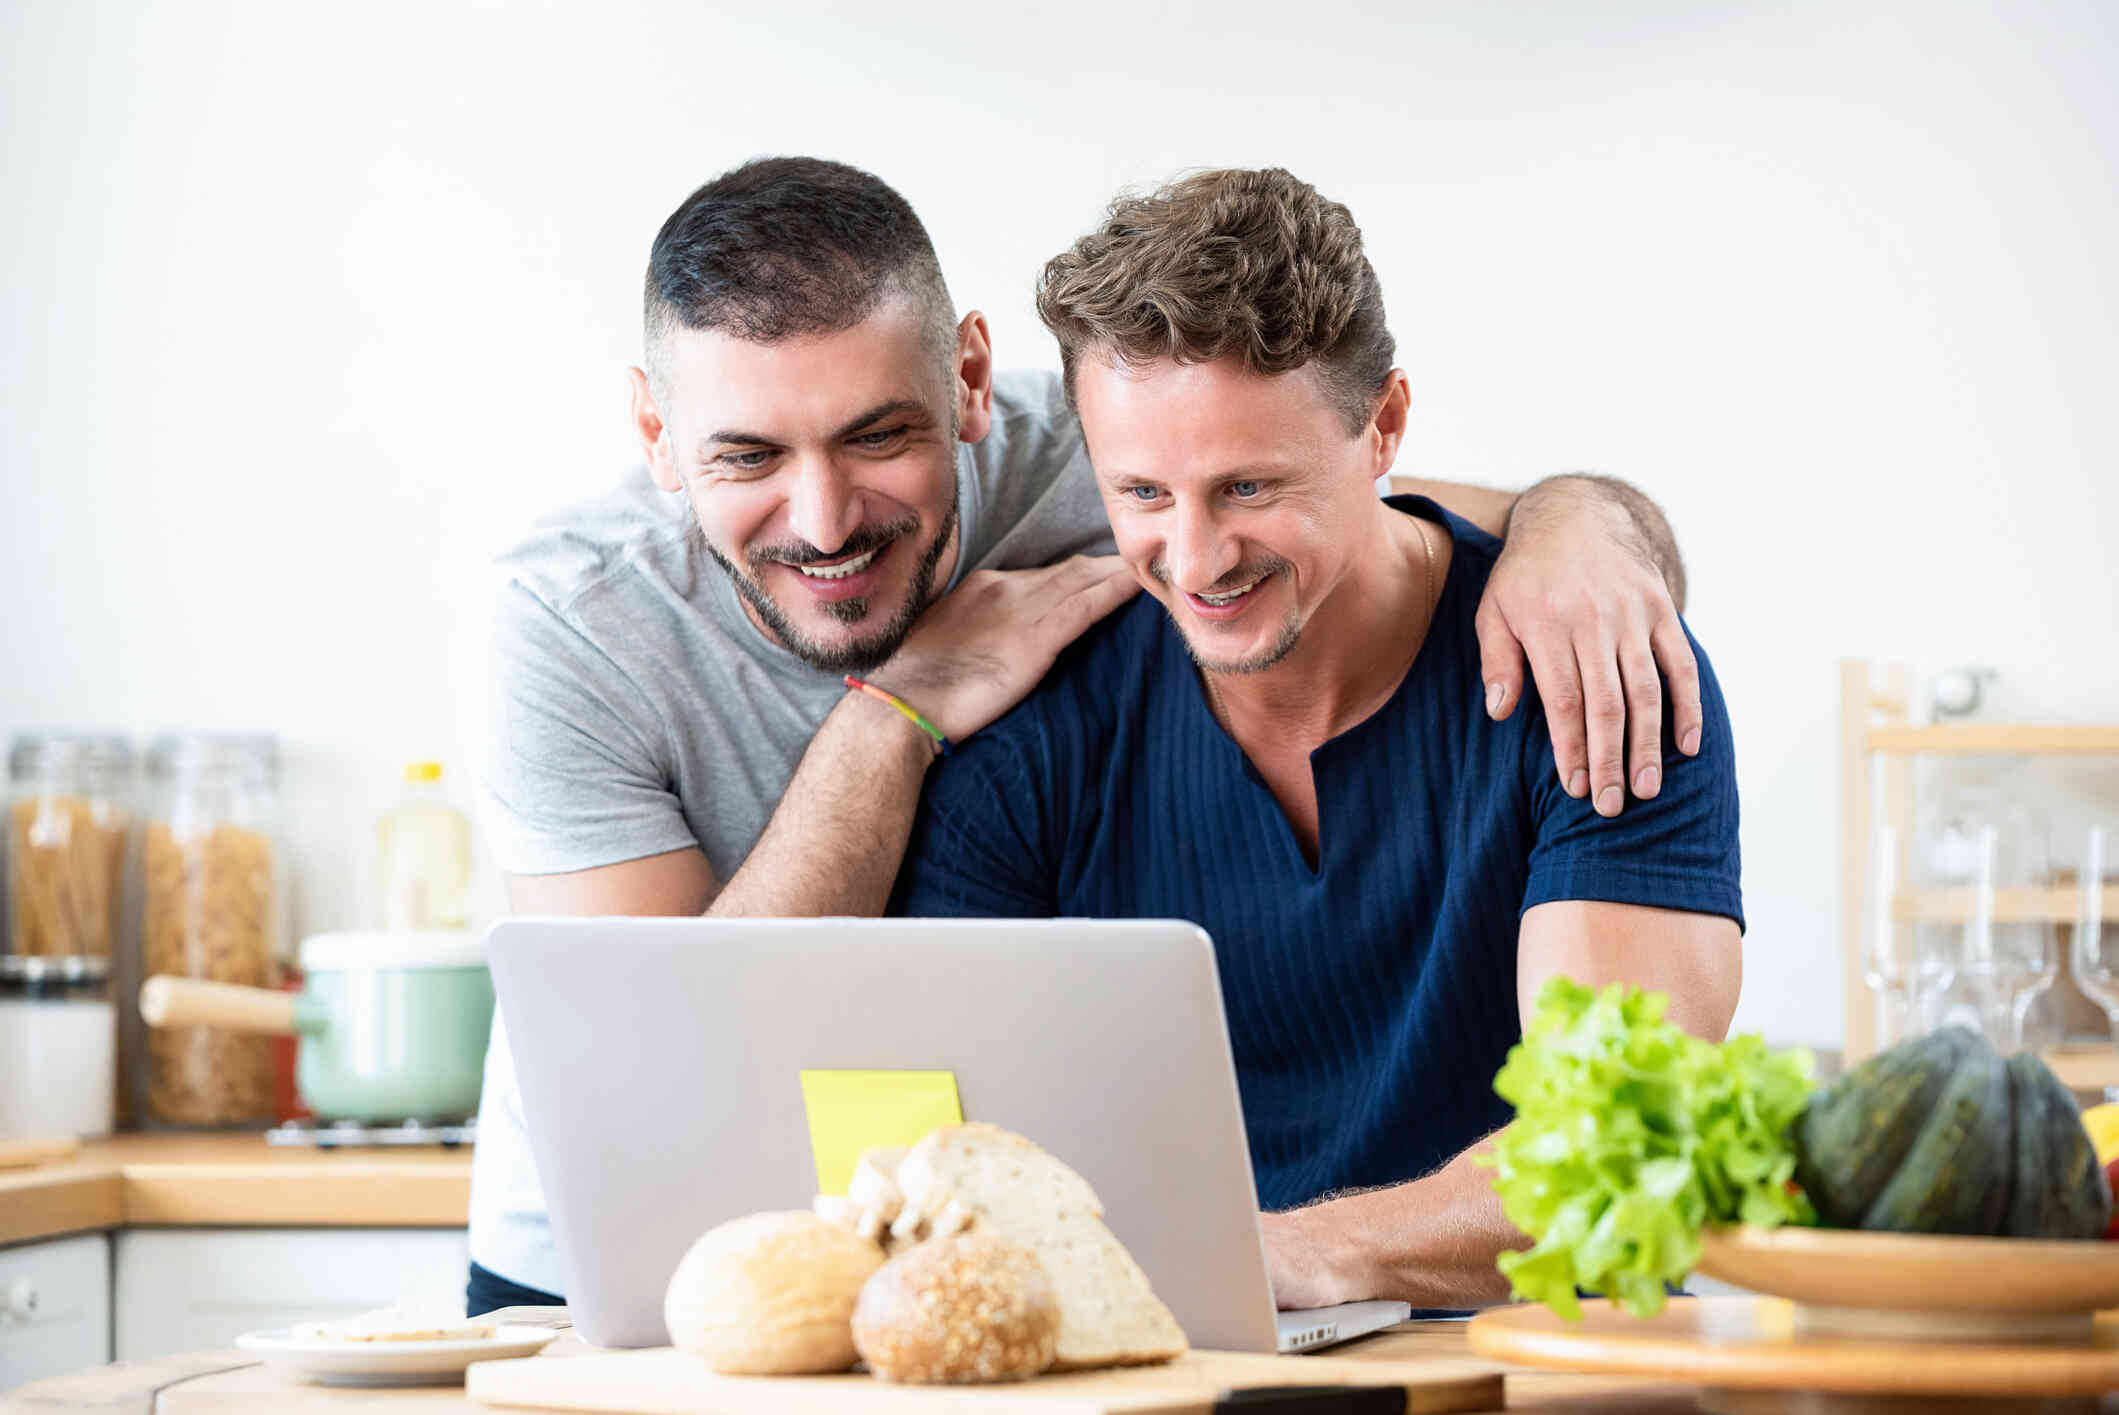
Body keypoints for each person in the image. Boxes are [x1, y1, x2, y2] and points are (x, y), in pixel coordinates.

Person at [468, 156, 1706, 1315]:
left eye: (877, 436)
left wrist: (1581, 530)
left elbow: (1398, 514)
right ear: (655, 435)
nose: (825, 514)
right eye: (747, 453)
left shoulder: (1118, 435)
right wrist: (893, 713)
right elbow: (669, 1087)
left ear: (966, 384)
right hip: (607, 1241)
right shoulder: (574, 625)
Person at [891, 167, 1743, 1311]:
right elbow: (926, 1147)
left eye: (1247, 487)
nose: (1192, 562)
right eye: (1140, 492)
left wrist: (1279, 1257)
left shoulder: (1594, 673)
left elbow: (1611, 1154)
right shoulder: (1031, 732)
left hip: (1534, 1373)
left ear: (1383, 424)